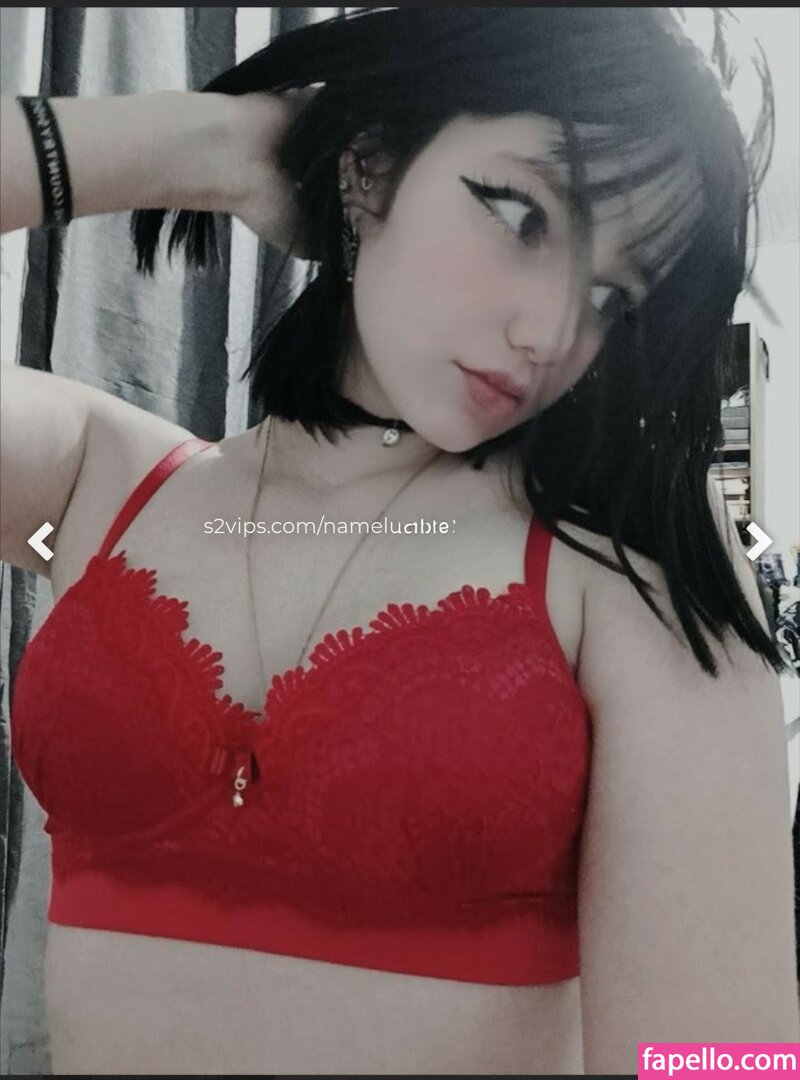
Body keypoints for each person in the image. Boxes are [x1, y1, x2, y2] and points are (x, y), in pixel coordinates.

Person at [1, 7, 798, 1075]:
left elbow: (710, 1061)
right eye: (521, 215)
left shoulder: (626, 569)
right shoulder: (95, 492)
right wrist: (212, 147)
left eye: (613, 296)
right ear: (369, 165)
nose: (552, 333)